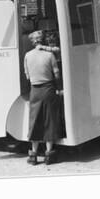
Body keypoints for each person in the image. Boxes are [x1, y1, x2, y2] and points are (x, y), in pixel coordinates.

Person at [24, 30, 65, 165]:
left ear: (32, 42)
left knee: (35, 121)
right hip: (49, 89)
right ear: (43, 41)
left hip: (35, 90)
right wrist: (59, 89)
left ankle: (33, 154)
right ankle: (49, 154)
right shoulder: (49, 55)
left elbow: (28, 76)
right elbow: (57, 74)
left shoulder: (27, 56)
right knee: (50, 120)